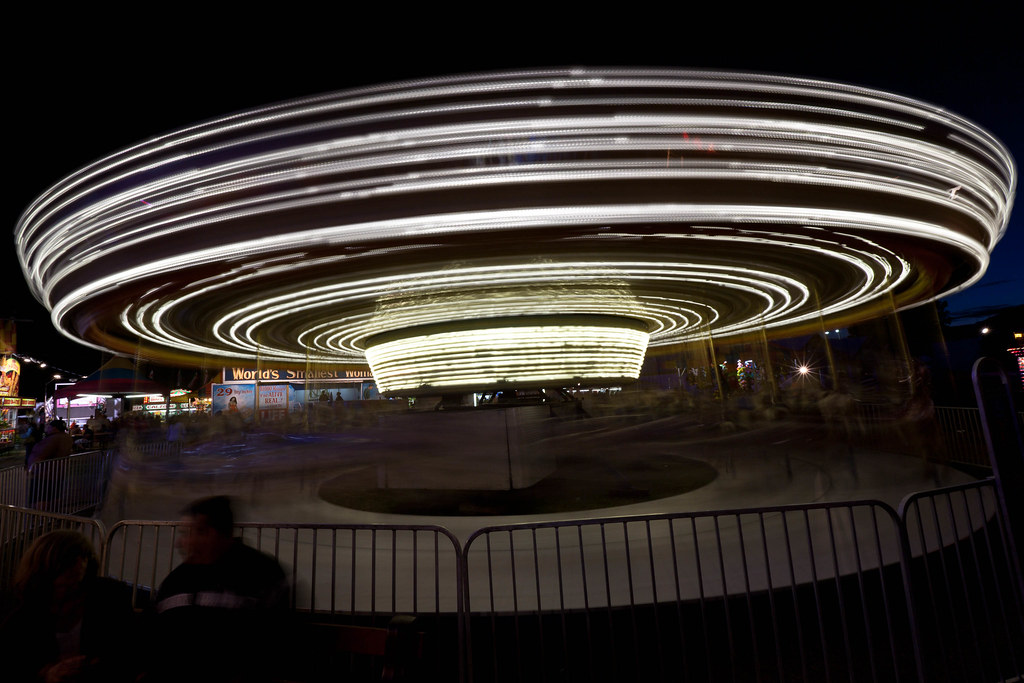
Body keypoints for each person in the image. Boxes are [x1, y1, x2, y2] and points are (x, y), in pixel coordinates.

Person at [147, 495, 288, 682]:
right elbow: (152, 636)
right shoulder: (176, 581)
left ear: (209, 533)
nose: (180, 543)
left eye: (187, 533)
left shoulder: (261, 574)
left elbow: (277, 644)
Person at [0, 530, 138, 682]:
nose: (78, 564)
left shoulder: (109, 597)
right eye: (69, 559)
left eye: (83, 557)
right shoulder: (22, 617)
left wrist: (96, 664)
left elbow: (130, 649)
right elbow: (12, 667)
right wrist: (46, 674)